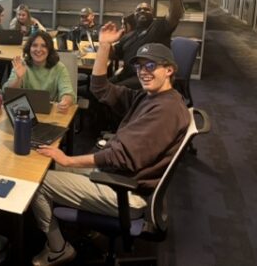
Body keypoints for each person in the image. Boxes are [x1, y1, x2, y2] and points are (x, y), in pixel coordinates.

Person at [30, 23, 189, 265]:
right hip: (117, 175)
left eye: (151, 66)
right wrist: (104, 45)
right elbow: (100, 89)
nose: (143, 72)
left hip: (125, 189)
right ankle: (84, 223)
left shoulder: (165, 111)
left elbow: (120, 157)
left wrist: (69, 159)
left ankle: (58, 248)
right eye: (139, 66)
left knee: (38, 183)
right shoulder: (151, 97)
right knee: (48, 166)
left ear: (169, 70)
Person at [111, 0, 184, 89]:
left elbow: (174, 16)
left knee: (111, 91)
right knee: (100, 86)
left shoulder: (159, 27)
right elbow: (114, 54)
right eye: (139, 10)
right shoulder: (129, 35)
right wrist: (106, 43)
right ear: (134, 15)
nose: (142, 12)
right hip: (127, 74)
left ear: (153, 14)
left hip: (147, 76)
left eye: (146, 10)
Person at [3, 31, 75, 112]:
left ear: (49, 49)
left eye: (43, 46)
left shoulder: (59, 68)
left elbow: (67, 92)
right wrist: (18, 79)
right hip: (24, 112)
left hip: (50, 113)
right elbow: (8, 93)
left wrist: (65, 101)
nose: (38, 49)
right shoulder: (21, 65)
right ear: (29, 48)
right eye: (34, 45)